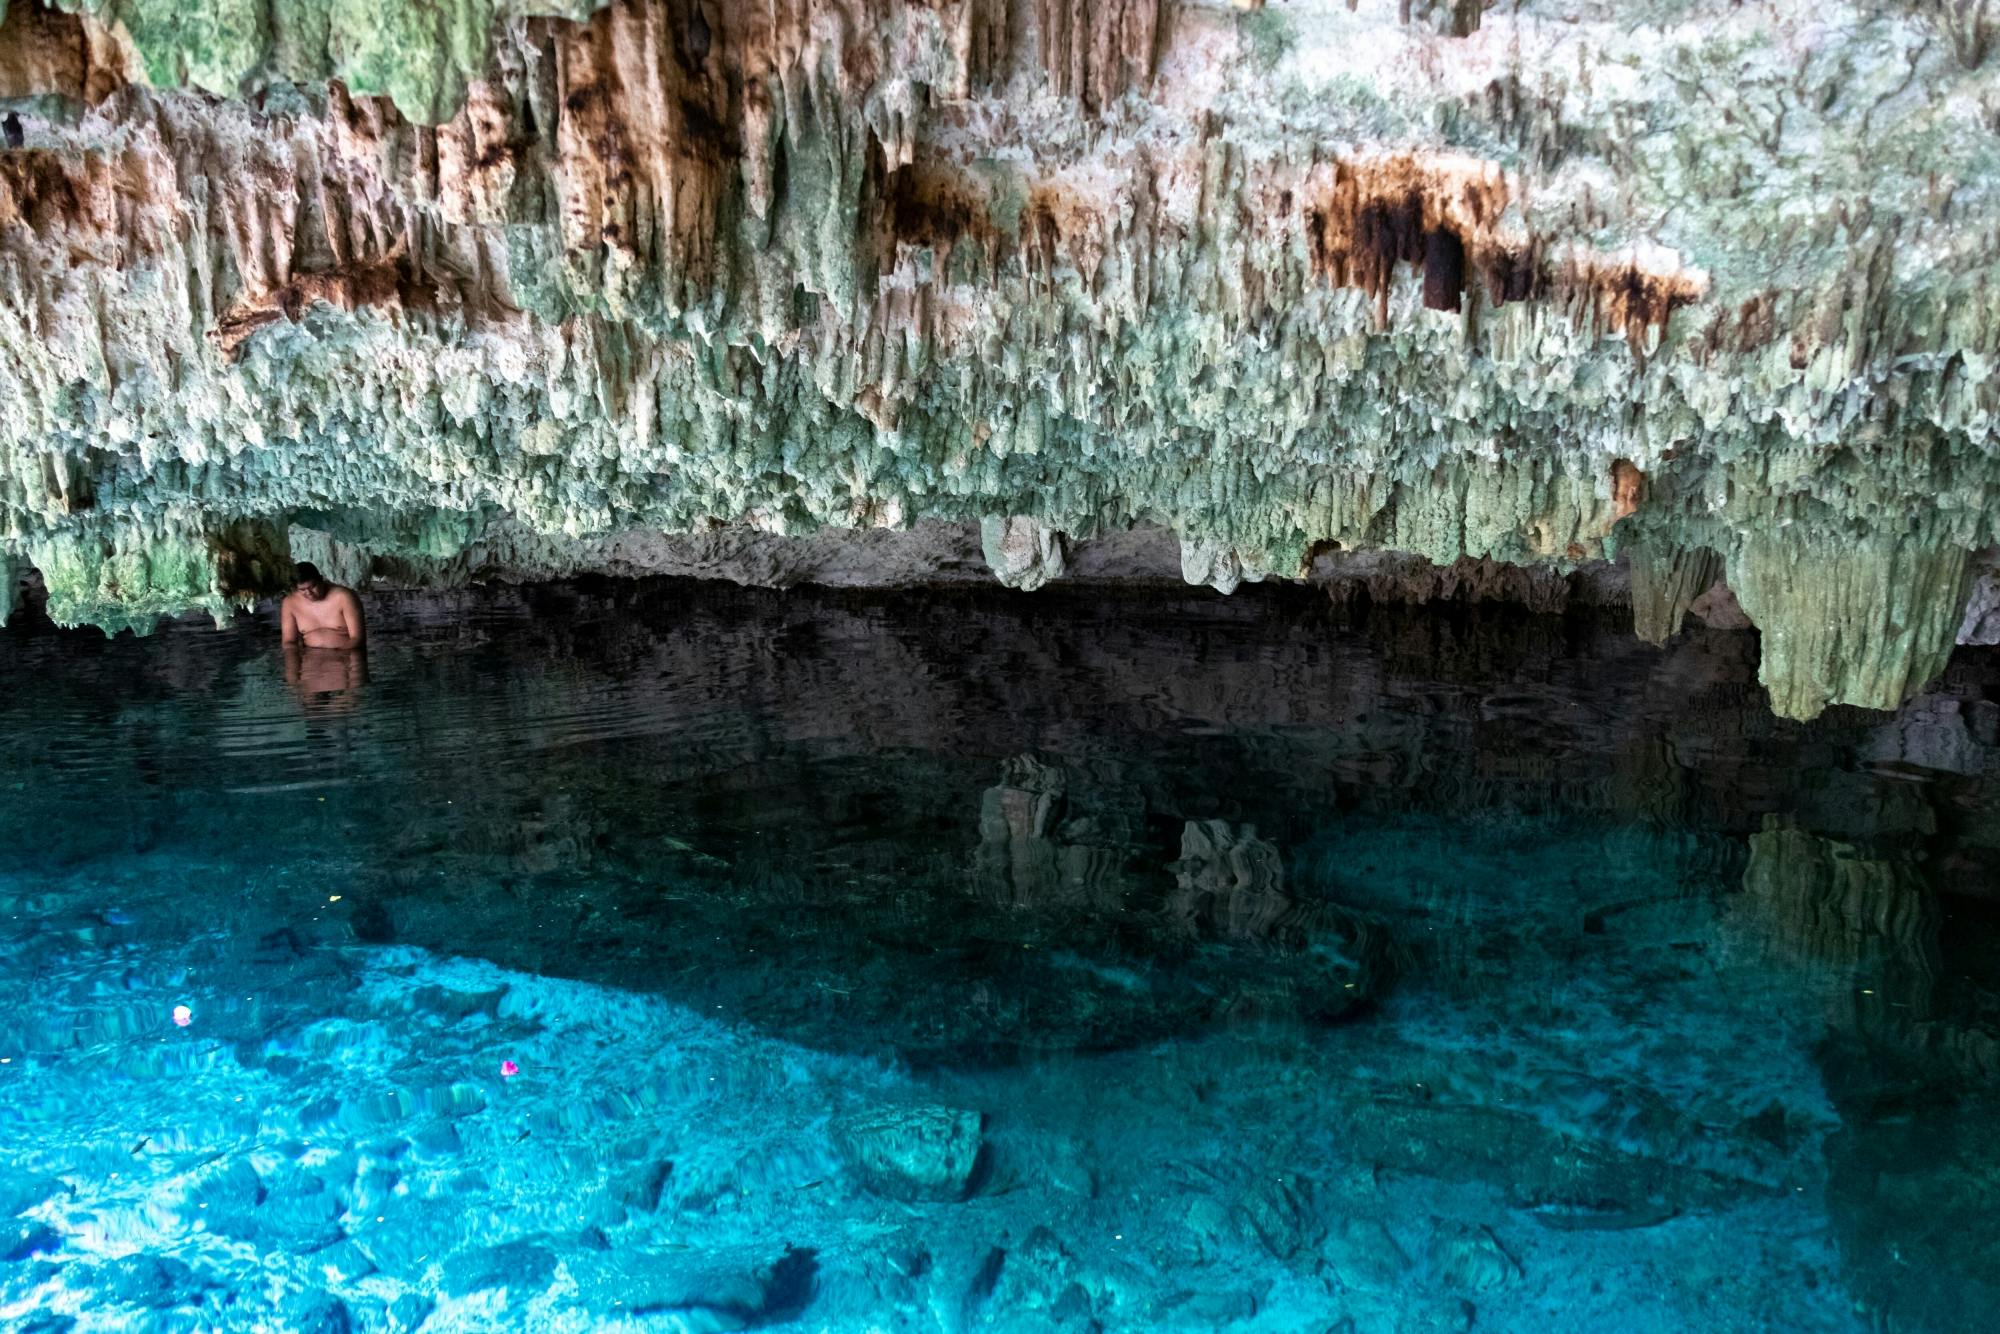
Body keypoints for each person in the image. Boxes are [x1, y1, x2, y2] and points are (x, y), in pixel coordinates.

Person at [280, 562, 366, 651]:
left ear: (321, 579)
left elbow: (357, 639)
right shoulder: (289, 603)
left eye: (312, 586)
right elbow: (289, 642)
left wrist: (338, 655)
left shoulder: (344, 597)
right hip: (310, 658)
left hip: (344, 657)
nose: (309, 593)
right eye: (302, 590)